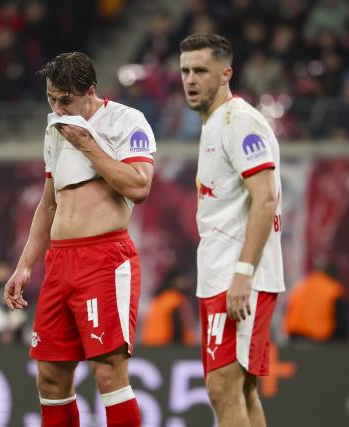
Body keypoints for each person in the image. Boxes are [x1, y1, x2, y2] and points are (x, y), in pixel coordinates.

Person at [4, 52, 156, 427]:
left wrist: (88, 144)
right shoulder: (55, 127)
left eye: (65, 99)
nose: (57, 107)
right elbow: (48, 205)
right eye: (51, 98)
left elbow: (139, 186)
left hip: (104, 259)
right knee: (51, 376)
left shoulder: (126, 121)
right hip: (60, 263)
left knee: (108, 373)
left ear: (90, 92)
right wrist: (25, 265)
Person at [179, 33, 285, 427]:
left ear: (226, 74)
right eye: (185, 71)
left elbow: (266, 198)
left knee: (222, 387)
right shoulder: (213, 125)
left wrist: (243, 273)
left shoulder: (240, 122)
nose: (190, 79)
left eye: (201, 71)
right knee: (240, 389)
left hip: (239, 277)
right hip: (220, 274)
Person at [284, 260, 348, 342]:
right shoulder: (334, 290)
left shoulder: (301, 286)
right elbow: (341, 323)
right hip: (320, 339)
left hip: (295, 337)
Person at [141, 269, 197, 346]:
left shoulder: (159, 299)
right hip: (167, 347)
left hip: (151, 346)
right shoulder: (175, 299)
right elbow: (177, 327)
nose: (186, 283)